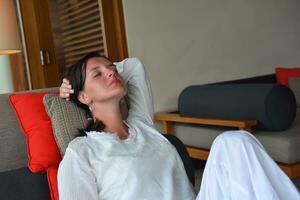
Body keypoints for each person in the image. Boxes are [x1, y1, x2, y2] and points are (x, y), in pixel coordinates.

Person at [59, 53, 300, 200]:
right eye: (97, 74)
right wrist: (74, 83)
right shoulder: (81, 152)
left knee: (234, 142)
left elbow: (134, 66)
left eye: (111, 67)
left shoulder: (142, 125)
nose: (111, 72)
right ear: (83, 97)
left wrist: (100, 72)